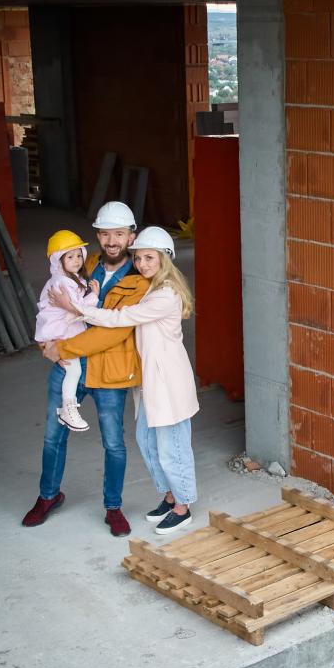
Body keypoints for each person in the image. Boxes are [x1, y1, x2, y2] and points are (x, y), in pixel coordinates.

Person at [48, 225, 199, 536]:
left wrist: (74, 308)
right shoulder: (151, 288)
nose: (141, 264)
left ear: (164, 258)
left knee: (172, 448)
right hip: (150, 381)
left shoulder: (166, 294)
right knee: (147, 441)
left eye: (149, 258)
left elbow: (120, 319)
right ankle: (170, 496)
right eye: (138, 258)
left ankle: (183, 507)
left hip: (168, 382)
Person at [22, 201, 148, 537]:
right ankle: (48, 496)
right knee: (53, 436)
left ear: (131, 236)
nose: (111, 241)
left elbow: (114, 331)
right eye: (105, 234)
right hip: (70, 368)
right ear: (97, 236)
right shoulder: (84, 263)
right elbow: (53, 305)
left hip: (110, 370)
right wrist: (46, 341)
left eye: (118, 234)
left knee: (114, 443)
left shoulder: (138, 281)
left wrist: (60, 348)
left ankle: (113, 507)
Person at [35, 229, 99, 432]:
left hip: (61, 328)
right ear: (58, 260)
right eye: (70, 257)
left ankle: (67, 408)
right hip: (61, 332)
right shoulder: (62, 282)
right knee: (74, 370)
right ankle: (68, 409)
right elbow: (78, 309)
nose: (77, 260)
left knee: (72, 369)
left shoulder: (66, 279)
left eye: (79, 255)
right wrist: (94, 295)